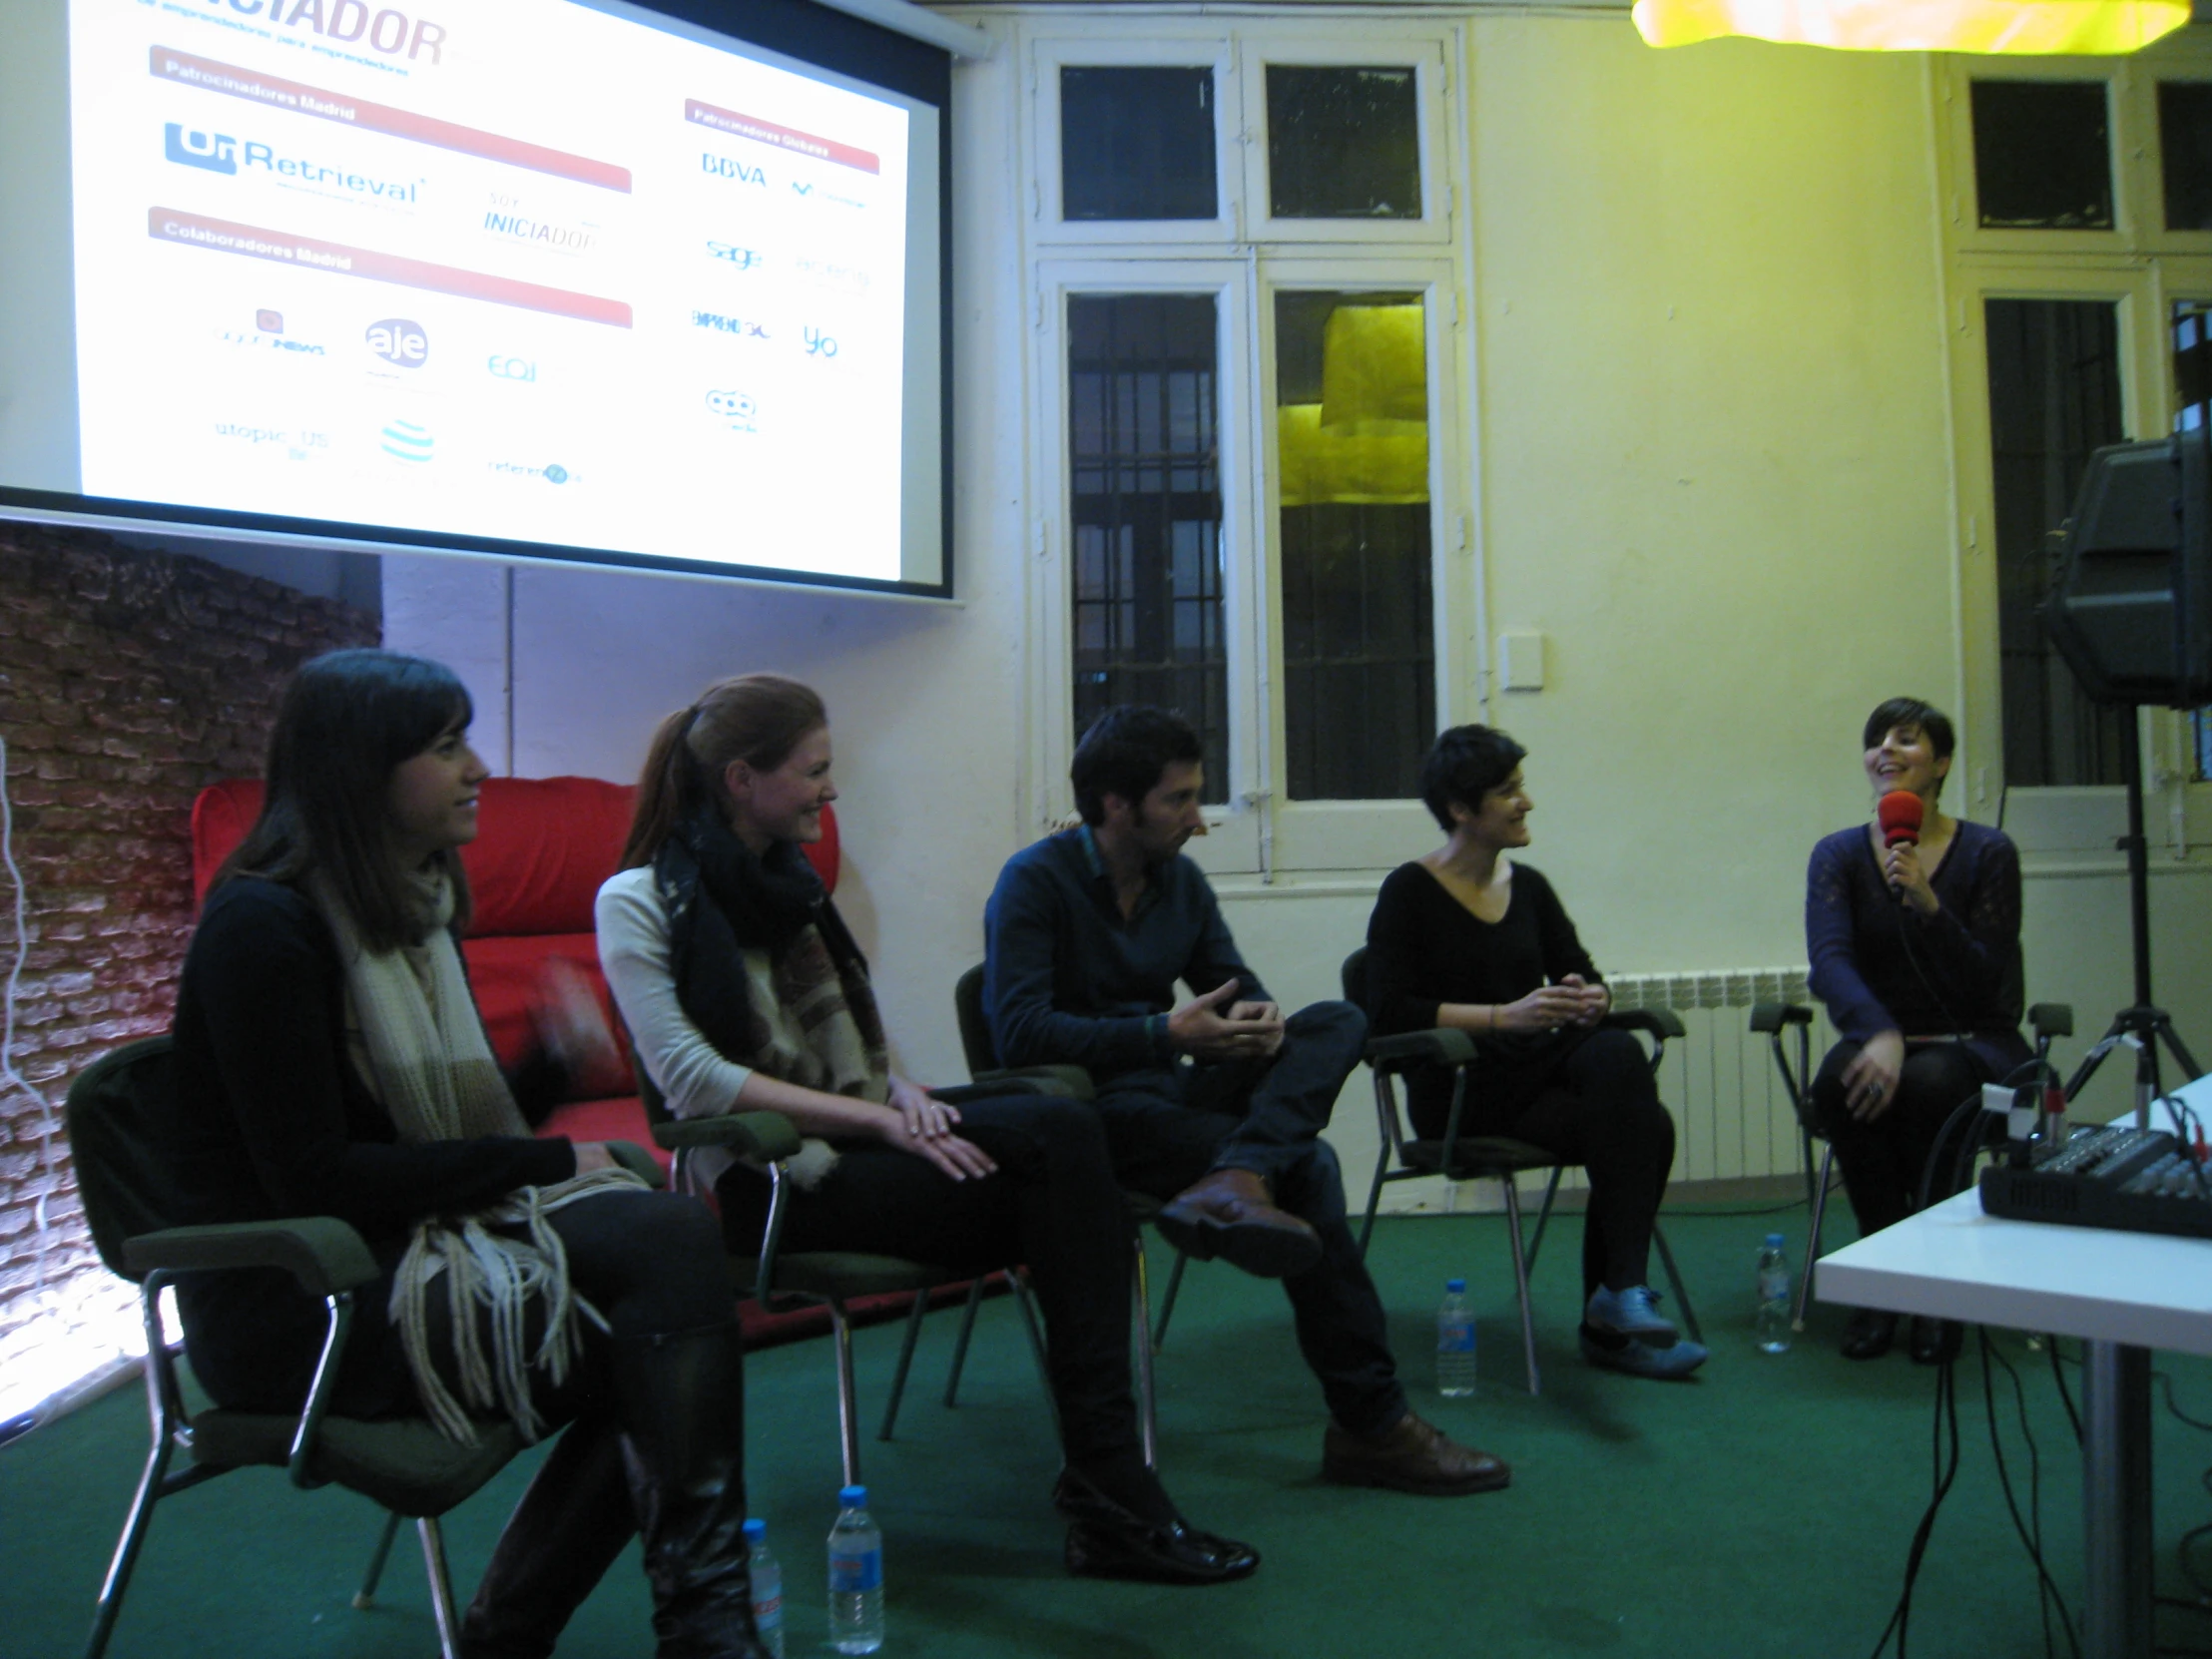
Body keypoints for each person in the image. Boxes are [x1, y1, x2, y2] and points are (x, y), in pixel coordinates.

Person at [166, 649, 769, 1659]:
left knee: (664, 1312)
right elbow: (317, 1180)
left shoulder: (401, 911)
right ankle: (680, 1624)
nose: (477, 768)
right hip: (299, 1302)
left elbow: (416, 1139)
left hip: (398, 1252)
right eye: (446, 747)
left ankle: (655, 1626)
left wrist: (544, 1067)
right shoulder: (261, 929)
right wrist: (541, 1164)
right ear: (361, 771)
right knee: (664, 1294)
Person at [597, 674, 1257, 1586]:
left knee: (1065, 1127)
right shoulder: (636, 900)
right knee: (1071, 1178)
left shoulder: (788, 888)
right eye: (815, 771)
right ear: (742, 780)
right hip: (779, 1184)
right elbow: (697, 1082)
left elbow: (841, 1063)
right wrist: (881, 1115)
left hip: (851, 1143)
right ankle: (1114, 1495)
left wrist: (898, 1095)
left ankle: (1111, 1491)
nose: (832, 790)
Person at [983, 705, 1510, 1496]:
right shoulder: (1034, 881)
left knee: (1336, 1020)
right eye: (1180, 801)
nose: (1200, 819)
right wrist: (1164, 1034)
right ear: (1116, 806)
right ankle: (1372, 1426)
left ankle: (1241, 1172)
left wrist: (1256, 1023)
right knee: (1313, 1168)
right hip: (1089, 1114)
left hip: (1176, 1088)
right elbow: (1018, 1035)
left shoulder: (1180, 882)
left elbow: (1237, 991)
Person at [1362, 726, 1706, 1382]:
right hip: (1459, 1092)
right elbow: (1387, 1013)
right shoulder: (1408, 891)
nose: (1526, 803)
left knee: (1621, 1069)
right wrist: (1505, 1017)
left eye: (1521, 788)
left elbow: (1582, 972)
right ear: (1462, 811)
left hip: (1532, 1079)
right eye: (1508, 792)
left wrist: (1587, 999)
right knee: (1641, 1118)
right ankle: (1615, 1314)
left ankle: (1617, 1300)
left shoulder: (1532, 888)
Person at [1806, 697, 2029, 1364]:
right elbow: (1830, 963)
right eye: (1877, 740)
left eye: (1906, 740)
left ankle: (1938, 1285)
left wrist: (1931, 908)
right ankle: (1885, 1273)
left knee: (1930, 1088)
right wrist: (1880, 1032)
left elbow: (1988, 979)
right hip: (1884, 1038)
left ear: (1942, 764)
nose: (1886, 751)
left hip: (1974, 1040)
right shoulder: (1838, 855)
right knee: (1838, 1087)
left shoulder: (1989, 851)